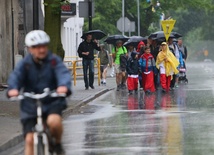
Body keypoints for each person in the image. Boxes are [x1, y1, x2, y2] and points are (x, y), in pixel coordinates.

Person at [7, 30, 72, 155]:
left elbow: (63, 74)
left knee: (54, 122)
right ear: (30, 49)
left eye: (43, 46)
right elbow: (16, 77)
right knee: (30, 139)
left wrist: (63, 86)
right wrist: (13, 89)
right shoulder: (25, 64)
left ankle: (57, 144)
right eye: (36, 47)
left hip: (52, 101)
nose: (40, 50)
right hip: (30, 105)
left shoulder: (54, 61)